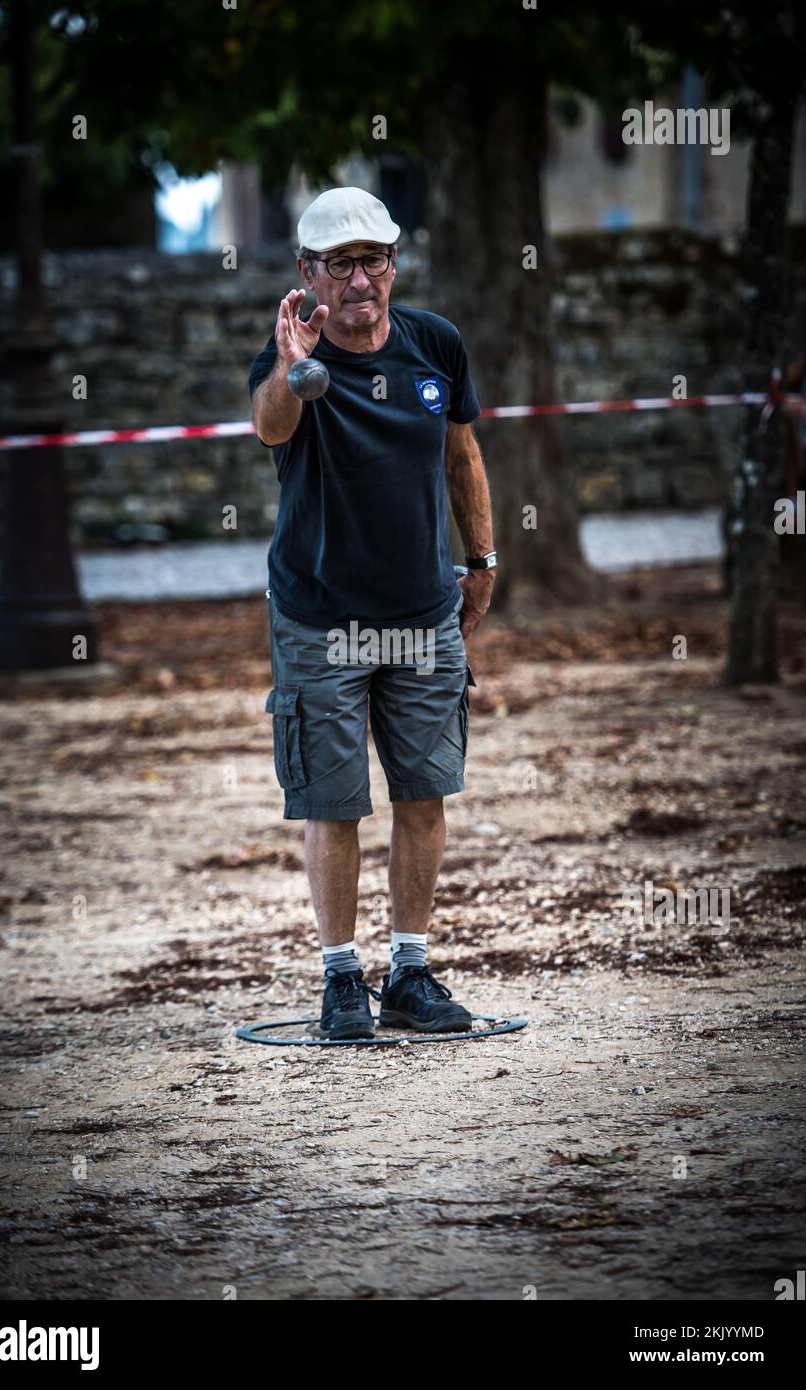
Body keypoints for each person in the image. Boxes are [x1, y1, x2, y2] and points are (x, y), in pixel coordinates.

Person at [248, 186, 496, 1040]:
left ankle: (412, 973)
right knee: (334, 801)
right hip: (320, 618)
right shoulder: (294, 358)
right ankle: (341, 981)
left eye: (375, 259)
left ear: (395, 262)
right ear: (307, 273)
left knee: (425, 793)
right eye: (341, 264)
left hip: (423, 615)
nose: (361, 280)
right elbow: (271, 430)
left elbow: (463, 451)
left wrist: (483, 559)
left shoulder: (435, 344)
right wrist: (291, 361)